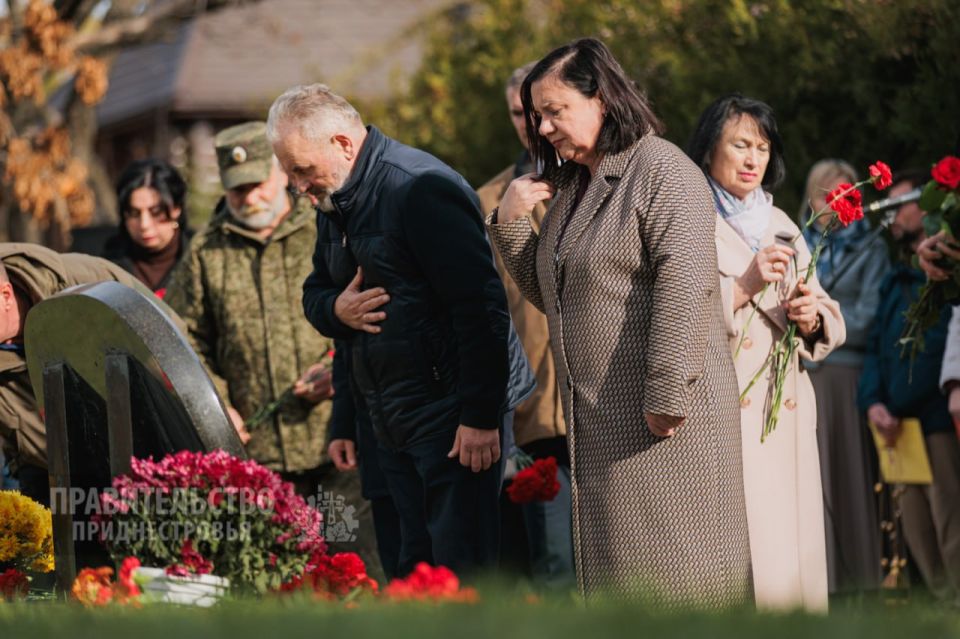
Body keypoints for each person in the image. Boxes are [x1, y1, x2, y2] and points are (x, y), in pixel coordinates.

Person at [487, 38, 752, 606]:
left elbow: (685, 286)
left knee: (681, 583)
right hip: (604, 430)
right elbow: (555, 295)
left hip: (662, 428)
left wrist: (665, 398)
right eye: (537, 116)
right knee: (624, 598)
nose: (544, 127)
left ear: (602, 98)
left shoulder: (662, 170)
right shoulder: (574, 187)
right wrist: (510, 227)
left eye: (555, 111)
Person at [266, 84, 534, 579]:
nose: (299, 187)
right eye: (291, 175)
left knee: (461, 587)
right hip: (385, 426)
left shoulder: (420, 187)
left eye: (302, 170)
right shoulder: (335, 200)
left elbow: (481, 308)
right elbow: (322, 298)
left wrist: (479, 416)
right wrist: (344, 415)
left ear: (343, 145)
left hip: (453, 424)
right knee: (410, 584)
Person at [164, 122, 381, 576]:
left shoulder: (328, 226)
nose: (250, 199)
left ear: (282, 174)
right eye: (238, 190)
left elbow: (373, 305)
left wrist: (337, 372)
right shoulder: (206, 251)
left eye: (257, 184)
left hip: (339, 443)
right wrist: (220, 406)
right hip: (259, 458)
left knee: (355, 571)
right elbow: (185, 340)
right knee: (280, 579)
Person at [687, 93, 845, 611]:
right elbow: (680, 320)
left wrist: (811, 317)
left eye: (762, 146)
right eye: (740, 144)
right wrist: (746, 284)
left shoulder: (784, 224)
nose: (753, 158)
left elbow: (822, 309)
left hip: (785, 410)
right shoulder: (689, 223)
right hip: (723, 408)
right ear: (710, 149)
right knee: (741, 561)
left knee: (789, 556)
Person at [476, 61, 574, 591]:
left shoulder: (596, 186)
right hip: (532, 416)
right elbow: (481, 313)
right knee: (553, 569)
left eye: (541, 112)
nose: (531, 125)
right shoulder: (488, 200)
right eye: (519, 113)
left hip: (605, 405)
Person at [858, 174, 960, 604]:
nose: (894, 215)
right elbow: (877, 348)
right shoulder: (894, 280)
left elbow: (942, 342)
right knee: (915, 522)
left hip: (934, 414)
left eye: (902, 204)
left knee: (949, 516)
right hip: (899, 422)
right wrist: (873, 401)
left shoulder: (945, 276)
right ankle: (940, 604)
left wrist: (908, 397)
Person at [0, 243, 157, 504]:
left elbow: (166, 335)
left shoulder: (82, 278)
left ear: (5, 295)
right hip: (47, 472)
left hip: (137, 451)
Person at [799, 159, 888, 596]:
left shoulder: (871, 247)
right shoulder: (795, 242)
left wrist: (821, 323)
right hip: (803, 373)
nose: (832, 206)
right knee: (810, 478)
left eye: (843, 196)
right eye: (825, 196)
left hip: (846, 373)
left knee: (848, 474)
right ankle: (818, 578)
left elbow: (870, 314)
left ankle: (859, 578)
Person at [104, 159, 191, 297]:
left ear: (176, 209)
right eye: (134, 213)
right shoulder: (108, 266)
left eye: (156, 212)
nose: (144, 224)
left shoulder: (198, 260)